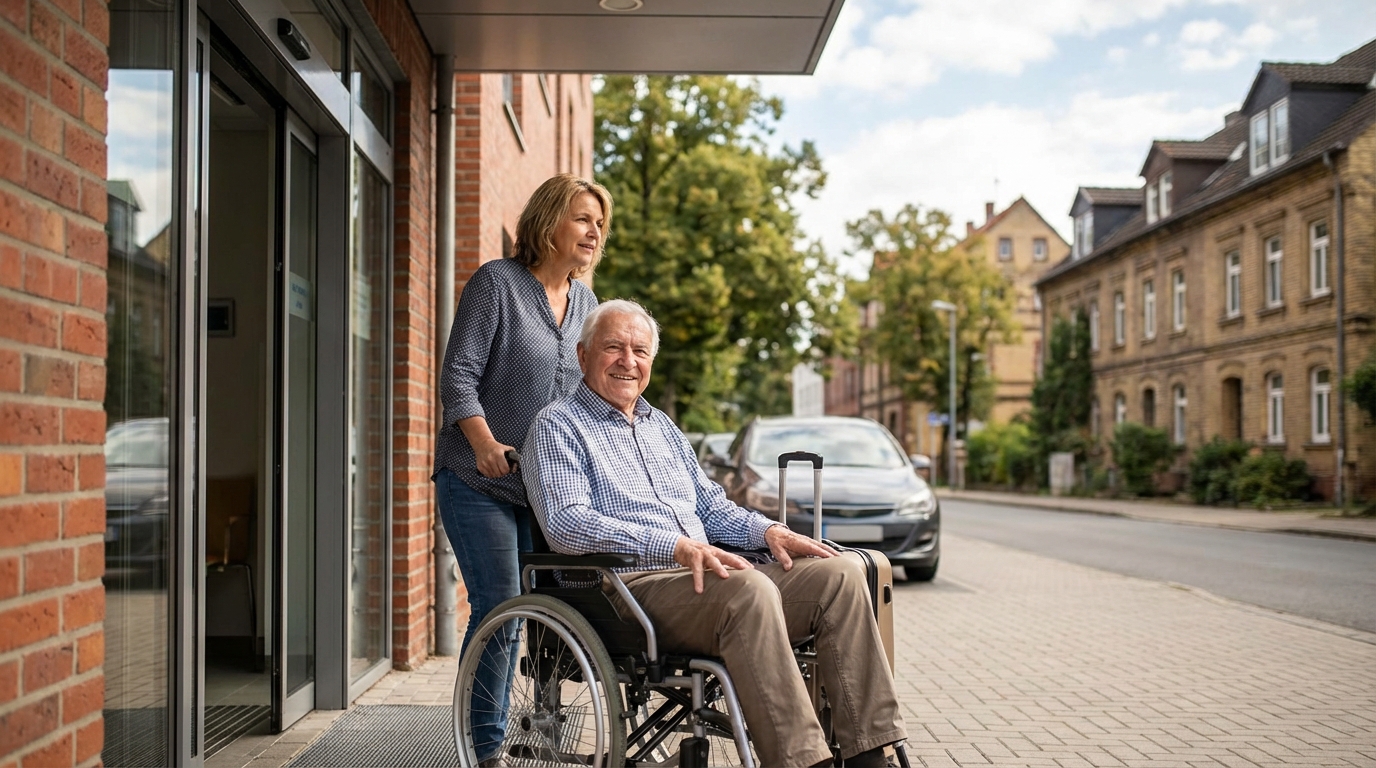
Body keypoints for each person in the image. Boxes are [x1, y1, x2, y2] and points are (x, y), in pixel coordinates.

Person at [523, 300, 906, 768]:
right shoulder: (557, 425)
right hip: (624, 589)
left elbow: (710, 507)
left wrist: (769, 530)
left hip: (701, 578)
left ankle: (872, 754)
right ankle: (804, 762)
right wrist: (674, 546)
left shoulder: (661, 427)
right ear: (583, 355)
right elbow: (567, 524)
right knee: (747, 590)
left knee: (839, 574)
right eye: (613, 348)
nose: (628, 361)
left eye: (640, 351)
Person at [433, 173, 611, 765]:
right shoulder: (497, 284)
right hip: (477, 477)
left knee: (552, 609)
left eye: (600, 224)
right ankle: (483, 747)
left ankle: (540, 731)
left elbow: (586, 399)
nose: (594, 232)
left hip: (544, 487)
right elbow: (458, 375)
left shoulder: (587, 305)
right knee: (501, 605)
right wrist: (483, 442)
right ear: (549, 220)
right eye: (583, 218)